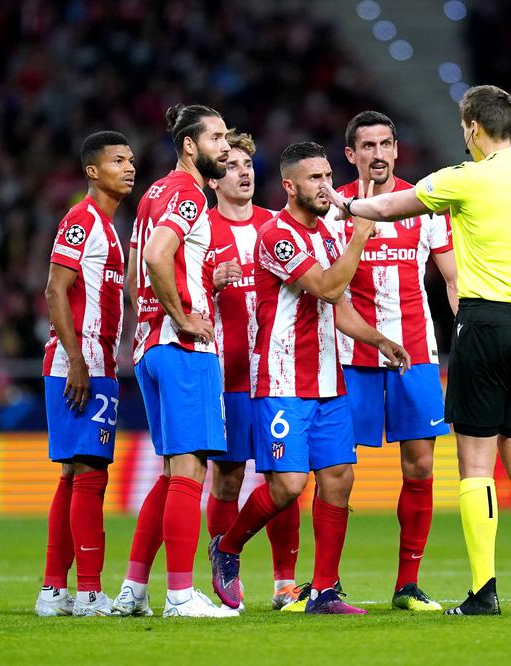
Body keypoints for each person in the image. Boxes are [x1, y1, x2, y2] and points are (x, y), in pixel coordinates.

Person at [321, 85, 511, 616]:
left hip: (485, 323)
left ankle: (484, 590)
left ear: (473, 128)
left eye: (464, 128)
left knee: (475, 461)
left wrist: (346, 204)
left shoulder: (463, 180)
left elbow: (391, 205)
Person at [208, 141, 410, 615]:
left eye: (327, 175)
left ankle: (323, 592)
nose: (326, 186)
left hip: (328, 381)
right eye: (315, 179)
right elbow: (327, 285)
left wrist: (380, 340)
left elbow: (339, 309)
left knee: (339, 478)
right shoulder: (278, 236)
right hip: (281, 380)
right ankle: (229, 546)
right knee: (289, 486)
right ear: (290, 185)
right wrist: (362, 233)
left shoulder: (326, 235)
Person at [326, 110, 458, 612]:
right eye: (368, 146)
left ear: (397, 150)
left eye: (386, 144)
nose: (378, 154)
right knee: (336, 472)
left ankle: (407, 585)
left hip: (416, 354)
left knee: (421, 465)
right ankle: (326, 584)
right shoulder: (333, 207)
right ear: (351, 154)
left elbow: (450, 276)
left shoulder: (424, 206)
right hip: (349, 353)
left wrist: (465, 326)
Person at [111, 104, 237, 619]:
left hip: (150, 348)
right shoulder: (187, 194)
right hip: (183, 348)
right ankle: (181, 596)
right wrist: (185, 316)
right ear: (190, 146)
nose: (226, 147)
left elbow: (136, 277)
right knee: (189, 472)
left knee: (169, 476)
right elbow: (161, 256)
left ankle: (133, 590)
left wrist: (204, 278)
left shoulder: (154, 194)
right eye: (217, 138)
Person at [35, 130, 135, 617]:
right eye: (118, 160)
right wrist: (76, 360)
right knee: (89, 473)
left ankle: (55, 591)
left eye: (131, 160)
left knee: (73, 474)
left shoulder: (110, 227)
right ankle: (90, 591)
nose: (129, 167)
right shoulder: (82, 218)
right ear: (93, 171)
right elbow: (55, 289)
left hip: (92, 364)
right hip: (80, 365)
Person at [203, 131, 304, 610]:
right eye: (231, 166)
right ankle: (227, 569)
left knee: (282, 478)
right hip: (224, 375)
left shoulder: (275, 225)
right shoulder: (201, 229)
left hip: (276, 374)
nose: (243, 173)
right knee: (226, 477)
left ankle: (286, 583)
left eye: (248, 164)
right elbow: (173, 294)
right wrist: (207, 282)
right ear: (214, 177)